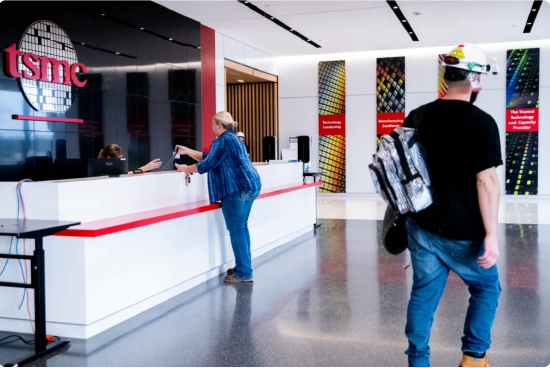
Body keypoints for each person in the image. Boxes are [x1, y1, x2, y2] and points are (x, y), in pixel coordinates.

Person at [402, 44, 502, 367]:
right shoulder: (483, 123)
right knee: (487, 288)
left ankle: (418, 360)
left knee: (423, 294)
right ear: (474, 79)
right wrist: (491, 235)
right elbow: (486, 181)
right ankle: (473, 358)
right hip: (465, 234)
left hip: (423, 227)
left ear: (447, 76)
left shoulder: (416, 116)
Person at [174, 111, 262, 283]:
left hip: (236, 188)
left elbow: (207, 164)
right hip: (250, 185)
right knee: (242, 228)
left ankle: (244, 273)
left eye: (213, 124)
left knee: (237, 230)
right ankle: (244, 266)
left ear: (220, 125)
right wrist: (188, 151)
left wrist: (184, 169)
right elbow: (212, 157)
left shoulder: (222, 140)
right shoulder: (233, 138)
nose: (211, 127)